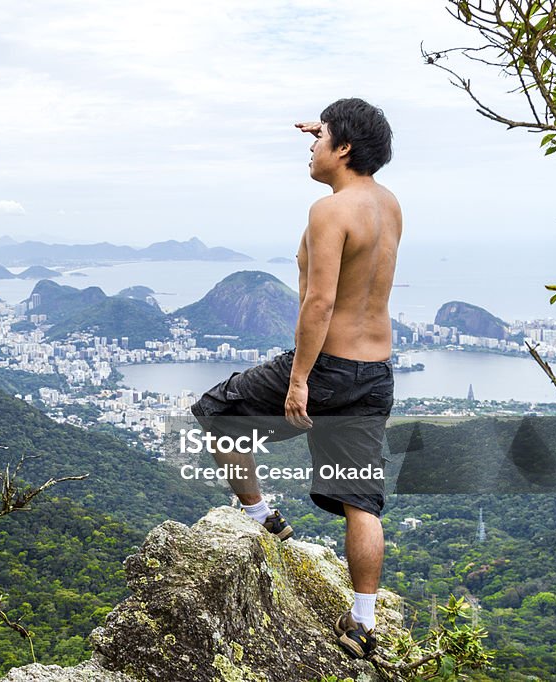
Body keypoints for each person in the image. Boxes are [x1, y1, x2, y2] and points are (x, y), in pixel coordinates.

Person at [190, 97, 401, 659]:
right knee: (362, 503)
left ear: (345, 147)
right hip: (374, 373)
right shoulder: (388, 204)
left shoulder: (327, 211)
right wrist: (334, 129)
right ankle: (362, 621)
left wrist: (300, 379)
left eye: (320, 137)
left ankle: (261, 516)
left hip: (327, 366)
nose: (311, 145)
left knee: (216, 414)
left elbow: (319, 302)